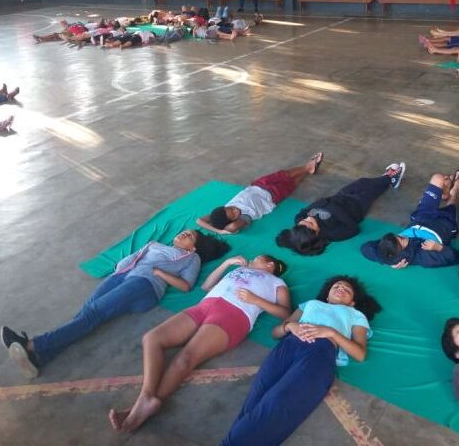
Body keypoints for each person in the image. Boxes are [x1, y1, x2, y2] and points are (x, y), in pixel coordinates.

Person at [0, 230, 230, 378]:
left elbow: (186, 285)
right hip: (123, 275)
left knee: (93, 312)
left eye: (190, 236)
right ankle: (41, 357)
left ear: (193, 248)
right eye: (186, 231)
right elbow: (133, 257)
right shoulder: (156, 244)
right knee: (87, 311)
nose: (184, 233)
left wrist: (160, 273)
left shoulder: (191, 258)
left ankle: (33, 345)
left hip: (145, 285)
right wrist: (119, 271)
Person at [108, 253, 290, 433]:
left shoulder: (277, 283)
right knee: (152, 338)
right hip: (205, 306)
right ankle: (145, 398)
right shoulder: (238, 270)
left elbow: (285, 313)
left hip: (234, 315)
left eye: (257, 258)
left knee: (186, 358)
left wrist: (255, 300)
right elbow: (206, 286)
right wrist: (227, 263)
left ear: (270, 265)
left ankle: (144, 407)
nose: (251, 259)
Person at [221, 275, 381, 445]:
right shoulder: (311, 304)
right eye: (336, 285)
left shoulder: (355, 315)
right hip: (287, 347)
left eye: (347, 289)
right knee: (254, 401)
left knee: (277, 403)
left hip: (319, 353)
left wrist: (331, 332)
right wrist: (289, 326)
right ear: (327, 296)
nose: (341, 288)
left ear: (352, 303)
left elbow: (359, 354)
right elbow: (275, 333)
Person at [276, 162, 406, 256]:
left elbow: (306, 210)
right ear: (316, 233)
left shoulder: (299, 219)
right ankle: (389, 178)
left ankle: (386, 180)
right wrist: (329, 207)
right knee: (371, 192)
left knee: (362, 182)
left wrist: (326, 204)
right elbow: (353, 230)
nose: (309, 218)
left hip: (341, 197)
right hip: (358, 206)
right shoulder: (331, 234)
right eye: (311, 223)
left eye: (304, 221)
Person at [197, 153, 324, 235]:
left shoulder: (223, 211)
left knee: (284, 174)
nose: (235, 210)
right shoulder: (244, 218)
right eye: (234, 214)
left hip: (258, 185)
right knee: (291, 184)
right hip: (273, 196)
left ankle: (307, 167)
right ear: (233, 220)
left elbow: (199, 221)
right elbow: (232, 227)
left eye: (231, 208)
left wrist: (215, 227)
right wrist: (220, 231)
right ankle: (308, 170)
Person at [361, 170, 459, 269]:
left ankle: (445, 192)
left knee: (438, 178)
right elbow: (457, 258)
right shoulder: (423, 256)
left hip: (421, 217)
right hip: (443, 225)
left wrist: (388, 262)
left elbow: (365, 248)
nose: (402, 236)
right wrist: (439, 248)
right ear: (401, 249)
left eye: (397, 235)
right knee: (452, 202)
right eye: (401, 239)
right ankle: (456, 189)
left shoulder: (390, 248)